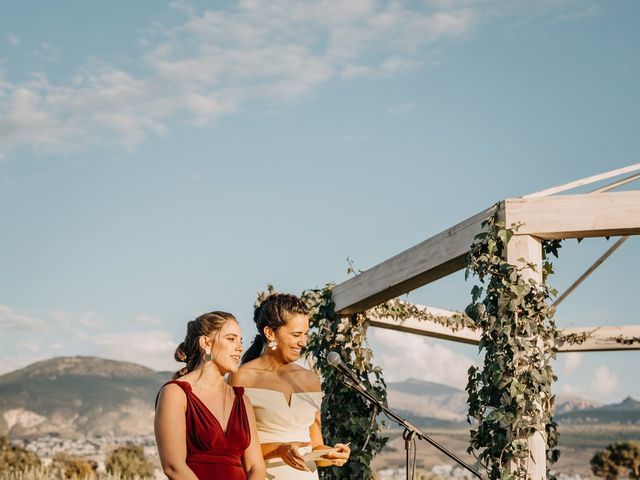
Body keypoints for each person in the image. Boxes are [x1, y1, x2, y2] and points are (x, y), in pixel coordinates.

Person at [229, 293, 350, 480]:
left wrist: (330, 454)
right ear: (270, 333)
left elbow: (316, 446)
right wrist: (279, 450)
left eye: (305, 334)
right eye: (296, 335)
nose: (303, 342)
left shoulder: (311, 380)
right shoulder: (242, 377)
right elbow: (233, 449)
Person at [155, 311, 266, 480]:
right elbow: (173, 467)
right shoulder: (176, 394)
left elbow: (255, 467)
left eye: (240, 340)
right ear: (206, 343)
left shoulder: (242, 400)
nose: (240, 347)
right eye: (231, 339)